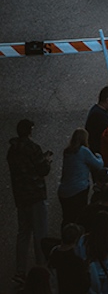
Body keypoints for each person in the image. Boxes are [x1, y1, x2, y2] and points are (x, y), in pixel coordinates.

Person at [8, 119, 53, 281]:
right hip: (35, 195)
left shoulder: (12, 151)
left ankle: (20, 271)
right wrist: (47, 160)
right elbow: (43, 170)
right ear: (29, 131)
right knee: (40, 233)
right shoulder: (33, 149)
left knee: (23, 234)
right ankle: (41, 268)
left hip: (21, 197)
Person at [57, 129, 104, 228]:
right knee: (79, 217)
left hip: (64, 190)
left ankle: (66, 238)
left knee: (67, 218)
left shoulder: (68, 151)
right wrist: (99, 156)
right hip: (78, 190)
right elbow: (98, 165)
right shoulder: (83, 151)